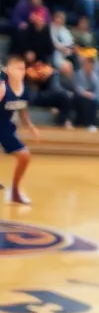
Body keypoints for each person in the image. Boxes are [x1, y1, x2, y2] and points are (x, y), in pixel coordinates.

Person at [0, 55, 40, 205]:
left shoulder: (24, 90)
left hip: (7, 130)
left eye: (23, 69)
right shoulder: (3, 88)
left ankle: (15, 191)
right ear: (8, 70)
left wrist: (30, 127)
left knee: (24, 156)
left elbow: (23, 110)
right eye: (17, 68)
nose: (21, 72)